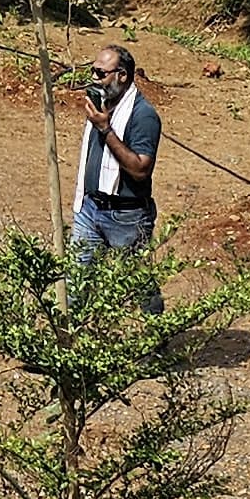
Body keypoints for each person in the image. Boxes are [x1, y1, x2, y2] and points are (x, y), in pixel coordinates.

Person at [73, 44, 161, 306]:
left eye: (101, 73)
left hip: (126, 216)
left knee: (138, 283)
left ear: (121, 75)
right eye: (93, 71)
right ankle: (70, 339)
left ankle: (157, 336)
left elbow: (140, 169)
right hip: (89, 209)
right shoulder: (101, 104)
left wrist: (105, 130)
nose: (94, 78)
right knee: (76, 279)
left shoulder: (143, 115)